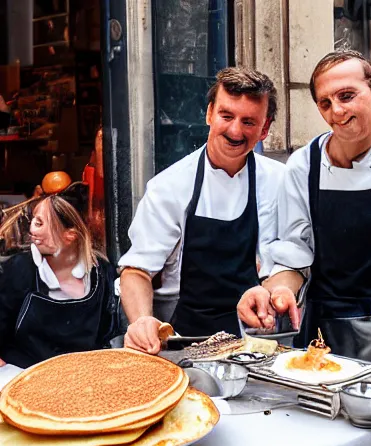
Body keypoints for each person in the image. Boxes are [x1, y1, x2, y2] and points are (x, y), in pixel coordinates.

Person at [237, 50, 371, 366]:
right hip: (323, 340)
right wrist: (273, 292)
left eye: (347, 96)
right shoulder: (303, 166)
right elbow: (294, 257)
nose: (337, 111)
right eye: (325, 103)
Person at [119, 67, 285, 354]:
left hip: (257, 345)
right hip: (185, 341)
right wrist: (142, 321)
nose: (235, 130)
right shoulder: (170, 186)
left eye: (248, 122)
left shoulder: (281, 182)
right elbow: (137, 270)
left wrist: (272, 294)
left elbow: (288, 264)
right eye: (226, 116)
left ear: (265, 128)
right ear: (210, 114)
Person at [0, 193, 119, 368]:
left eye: (40, 223)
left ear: (69, 236)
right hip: (24, 374)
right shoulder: (18, 270)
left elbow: (110, 334)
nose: (32, 230)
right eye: (33, 221)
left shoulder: (100, 274)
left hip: (84, 375)